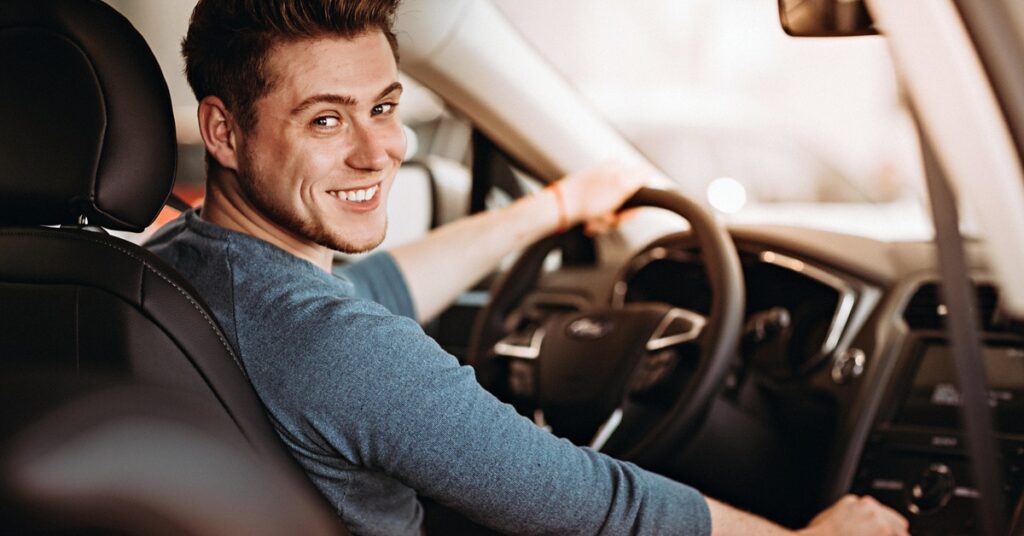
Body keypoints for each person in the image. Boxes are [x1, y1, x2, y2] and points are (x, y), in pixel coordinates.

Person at [146, 1, 910, 534]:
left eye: (383, 107)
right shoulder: (340, 350)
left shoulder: (171, 269)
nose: (378, 151)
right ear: (223, 131)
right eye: (325, 118)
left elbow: (377, 285)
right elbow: (590, 505)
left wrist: (553, 208)